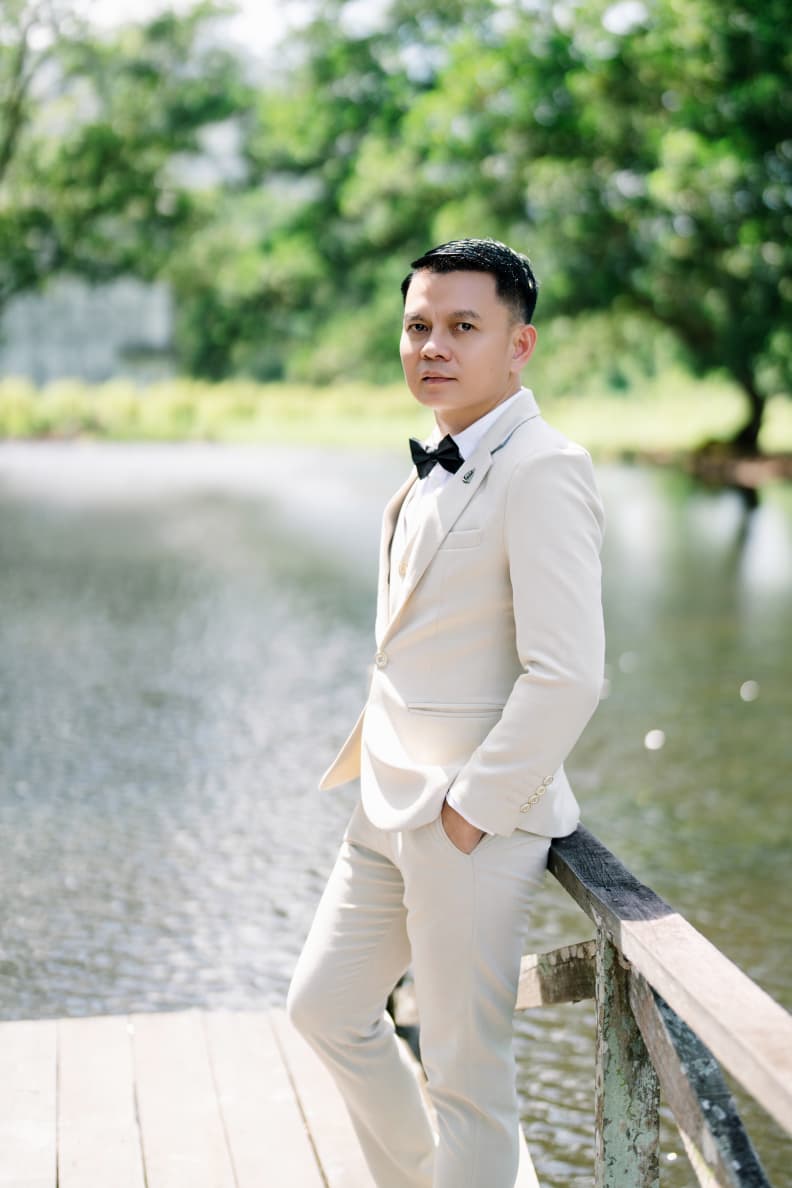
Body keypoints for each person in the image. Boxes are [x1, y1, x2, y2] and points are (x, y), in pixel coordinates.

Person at [287, 238, 605, 1188]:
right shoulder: (429, 469)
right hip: (384, 802)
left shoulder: (545, 468)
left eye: (464, 326)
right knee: (325, 1008)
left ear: (520, 345)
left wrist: (471, 812)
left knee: (468, 1077)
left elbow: (568, 674)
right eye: (418, 325)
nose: (434, 345)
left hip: (470, 822)